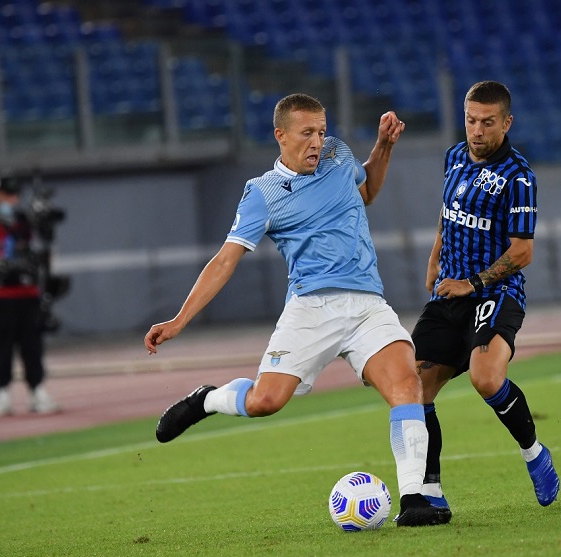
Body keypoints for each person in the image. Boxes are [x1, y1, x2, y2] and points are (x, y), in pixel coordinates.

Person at [144, 93, 451, 527]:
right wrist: (179, 320)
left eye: (322, 131)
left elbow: (366, 192)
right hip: (311, 308)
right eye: (307, 133)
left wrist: (383, 147)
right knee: (266, 401)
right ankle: (208, 400)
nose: (317, 141)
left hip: (366, 306)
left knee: (406, 384)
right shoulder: (262, 193)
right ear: (280, 135)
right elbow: (224, 260)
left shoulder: (338, 155)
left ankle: (413, 500)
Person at [411, 80, 560, 514]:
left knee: (486, 378)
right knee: (414, 385)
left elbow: (523, 251)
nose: (477, 130)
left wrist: (473, 284)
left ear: (506, 122)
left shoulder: (519, 177)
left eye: (487, 122)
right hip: (449, 292)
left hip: (495, 291)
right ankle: (431, 494)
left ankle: (534, 453)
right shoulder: (454, 157)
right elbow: (447, 212)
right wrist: (435, 258)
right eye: (470, 120)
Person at [0, 172, 60, 417]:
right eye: (5, 194)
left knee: (32, 344)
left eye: (14, 194)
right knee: (2, 342)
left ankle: (37, 391)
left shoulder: (23, 218)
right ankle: (2, 393)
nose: (11, 199)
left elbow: (45, 238)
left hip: (27, 289)